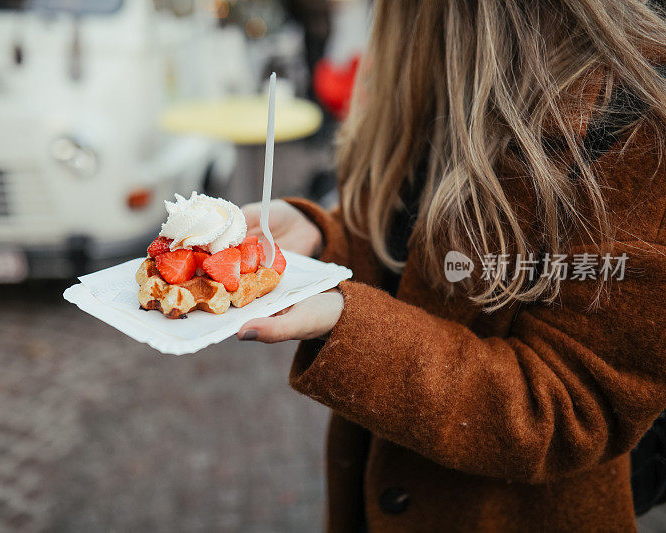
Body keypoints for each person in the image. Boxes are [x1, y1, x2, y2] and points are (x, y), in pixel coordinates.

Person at [237, 1, 666, 531]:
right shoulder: (423, 40)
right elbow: (416, 254)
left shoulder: (637, 113)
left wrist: (351, 326)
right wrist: (329, 238)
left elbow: (568, 409)